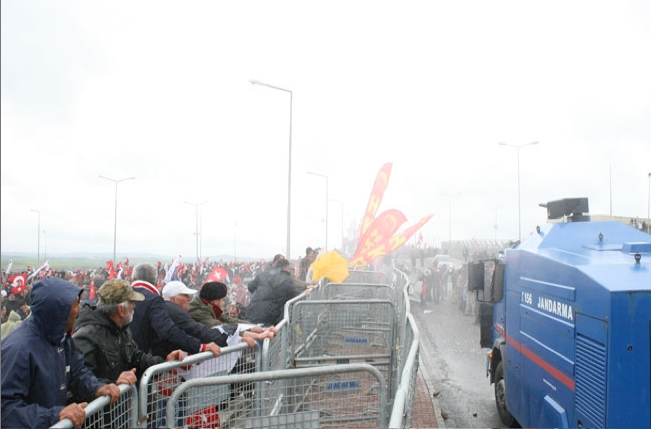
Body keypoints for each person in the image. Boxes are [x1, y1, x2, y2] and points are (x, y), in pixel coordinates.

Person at [1, 277, 120, 429]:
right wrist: (54, 416)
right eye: (76, 305)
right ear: (59, 311)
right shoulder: (18, 349)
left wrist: (97, 387)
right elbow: (5, 410)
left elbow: (78, 372)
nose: (80, 310)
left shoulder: (61, 337)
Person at [73, 279, 185, 386]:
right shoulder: (86, 337)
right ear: (121, 310)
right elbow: (79, 380)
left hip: (120, 404)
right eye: (132, 302)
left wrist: (165, 361)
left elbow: (137, 358)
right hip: (102, 405)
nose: (134, 306)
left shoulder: (122, 329)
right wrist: (112, 383)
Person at [129, 263, 221, 359]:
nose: (189, 299)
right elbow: (168, 331)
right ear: (155, 283)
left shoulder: (120, 297)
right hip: (139, 363)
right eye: (185, 295)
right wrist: (200, 347)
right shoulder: (154, 301)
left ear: (134, 279)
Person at [246, 258, 305, 326]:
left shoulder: (263, 275)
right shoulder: (286, 279)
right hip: (270, 317)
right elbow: (295, 292)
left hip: (252, 313)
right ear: (286, 267)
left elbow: (250, 287)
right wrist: (305, 292)